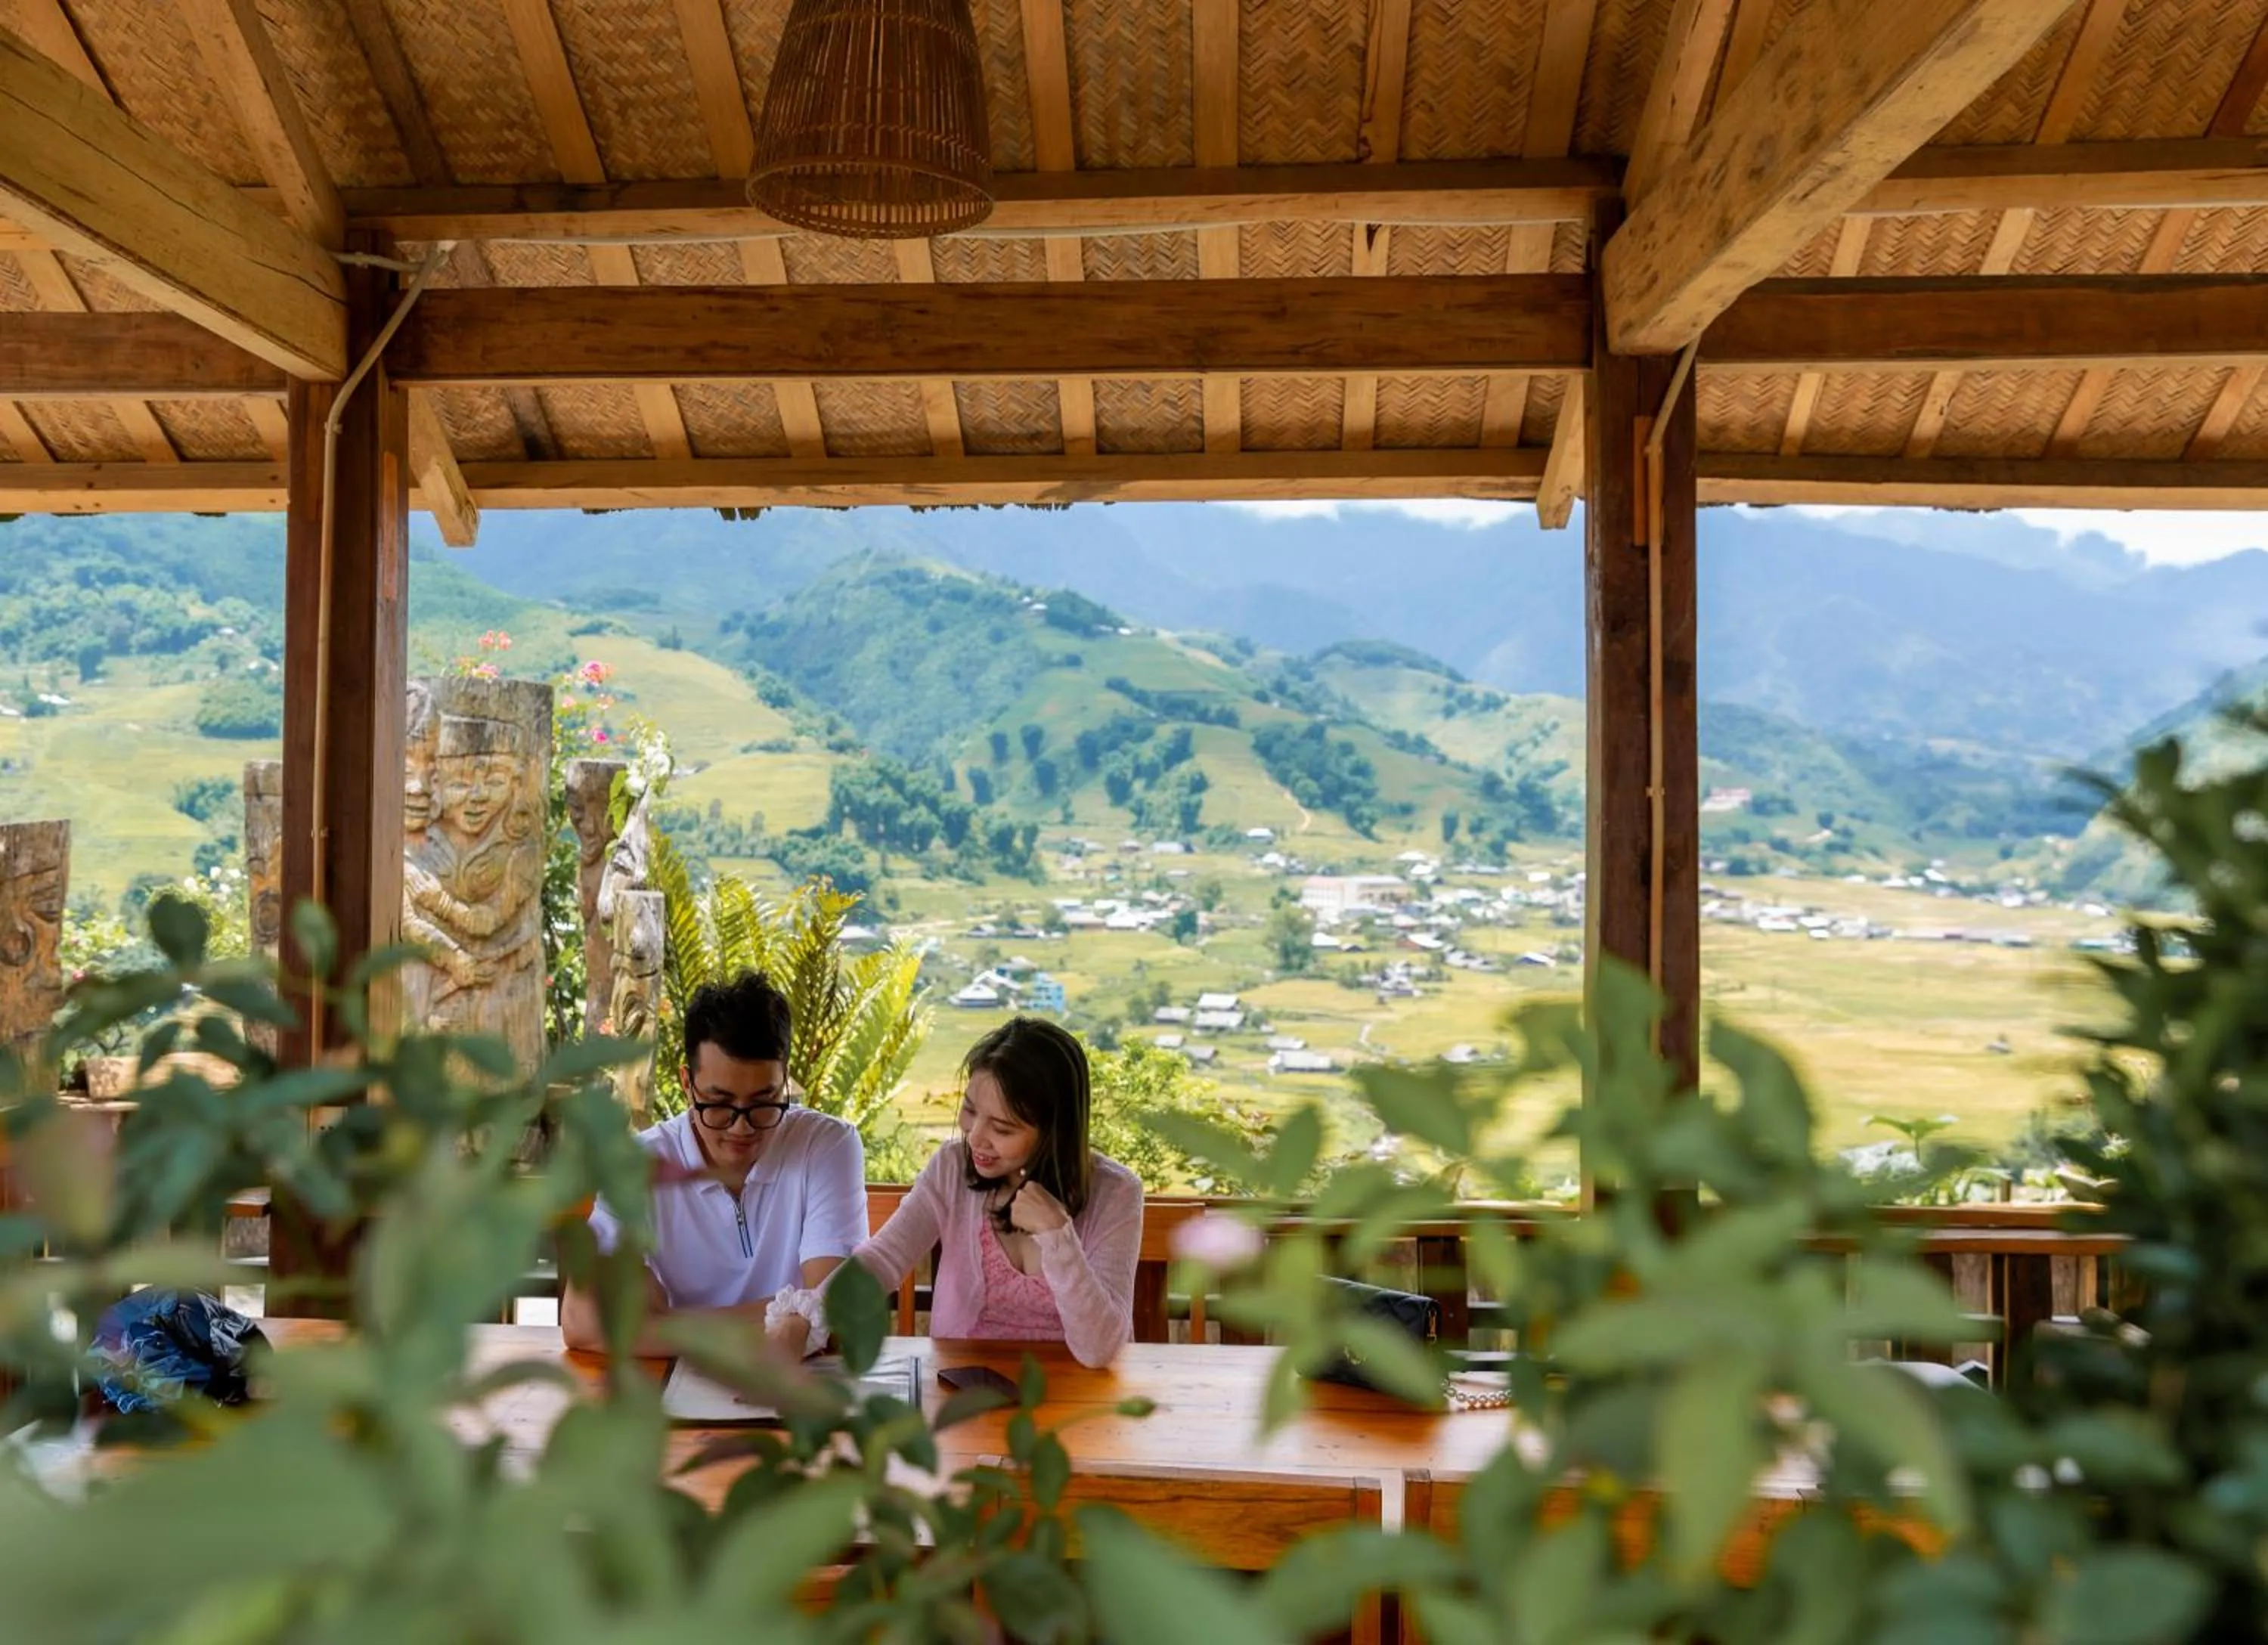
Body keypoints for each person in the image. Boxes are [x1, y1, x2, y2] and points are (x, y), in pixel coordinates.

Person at [773, 1017, 1142, 1368]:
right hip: (961, 1389)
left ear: (1054, 1132)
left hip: (1080, 1402)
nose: (976, 1137)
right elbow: (885, 1257)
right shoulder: (952, 1168)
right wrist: (804, 1318)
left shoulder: (1116, 1193)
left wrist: (1058, 1237)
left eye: (1002, 1127)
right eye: (969, 1111)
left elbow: (1100, 1350)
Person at [559, 971, 866, 1354]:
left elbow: (837, 1313)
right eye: (719, 1105)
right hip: (682, 1386)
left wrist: (662, 1324)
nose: (741, 1128)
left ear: (784, 1079)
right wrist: (789, 1321)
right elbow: (581, 1322)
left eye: (763, 1101)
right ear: (687, 1084)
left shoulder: (826, 1146)